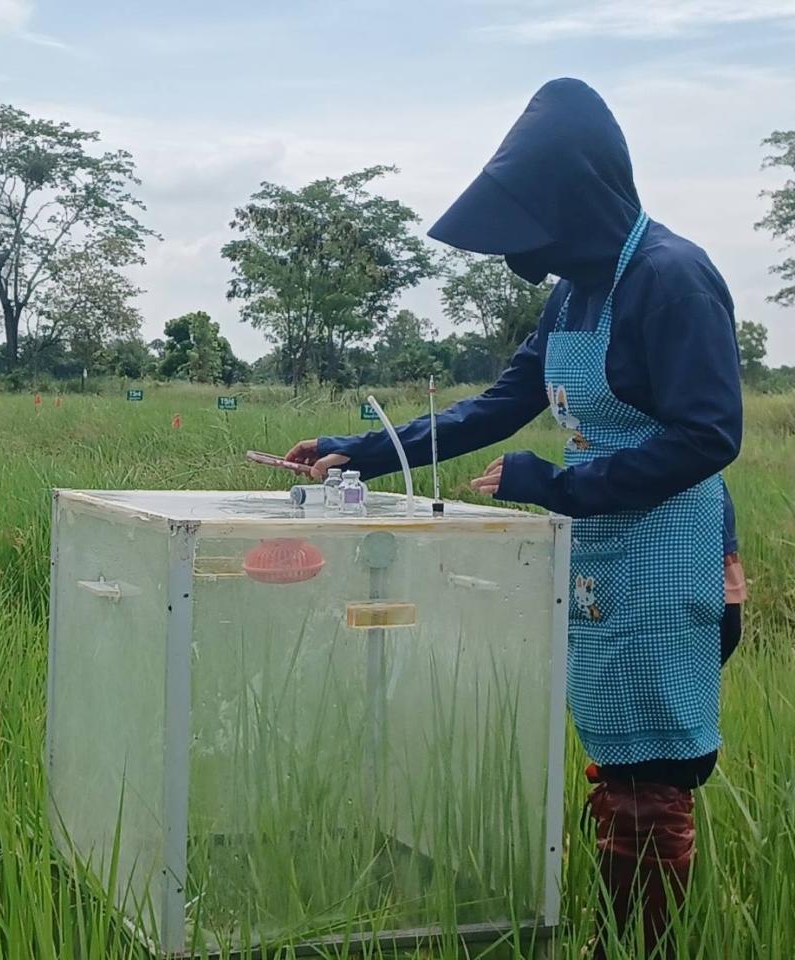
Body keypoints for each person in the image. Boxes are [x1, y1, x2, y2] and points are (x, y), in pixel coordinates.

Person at [286, 79, 745, 959]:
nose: (526, 259)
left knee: (653, 780)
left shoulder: (671, 278)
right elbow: (499, 404)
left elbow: (708, 435)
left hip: (669, 554)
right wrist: (364, 448)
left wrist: (557, 484)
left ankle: (635, 947)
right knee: (616, 758)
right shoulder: (578, 292)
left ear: (576, 204)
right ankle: (615, 928)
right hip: (605, 553)